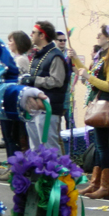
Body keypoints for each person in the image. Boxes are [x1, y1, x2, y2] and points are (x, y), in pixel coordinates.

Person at [70, 24, 109, 200]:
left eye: (100, 35)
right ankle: (95, 184)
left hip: (104, 105)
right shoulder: (102, 56)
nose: (97, 37)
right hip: (98, 103)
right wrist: (76, 59)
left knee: (102, 146)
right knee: (100, 146)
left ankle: (105, 187)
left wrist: (88, 77)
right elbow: (90, 76)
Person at [22, 20, 70, 150]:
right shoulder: (37, 54)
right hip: (34, 107)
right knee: (35, 147)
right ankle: (37, 170)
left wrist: (34, 80)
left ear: (42, 35)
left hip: (49, 107)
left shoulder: (55, 56)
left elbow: (57, 81)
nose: (31, 35)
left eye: (34, 32)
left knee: (49, 146)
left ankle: (55, 169)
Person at [0, 31, 21, 161]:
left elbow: (13, 77)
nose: (9, 43)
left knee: (11, 136)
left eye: (12, 40)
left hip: (5, 100)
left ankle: (15, 168)